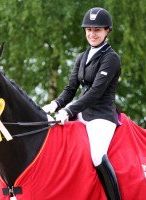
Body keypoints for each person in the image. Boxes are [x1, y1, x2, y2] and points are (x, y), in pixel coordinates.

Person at [42, 7, 121, 200]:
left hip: (102, 118)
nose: (92, 34)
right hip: (82, 115)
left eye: (97, 30)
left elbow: (95, 92)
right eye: (89, 30)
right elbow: (71, 89)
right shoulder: (82, 57)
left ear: (107, 31)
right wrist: (55, 104)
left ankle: (114, 197)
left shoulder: (111, 58)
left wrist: (68, 111)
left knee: (96, 156)